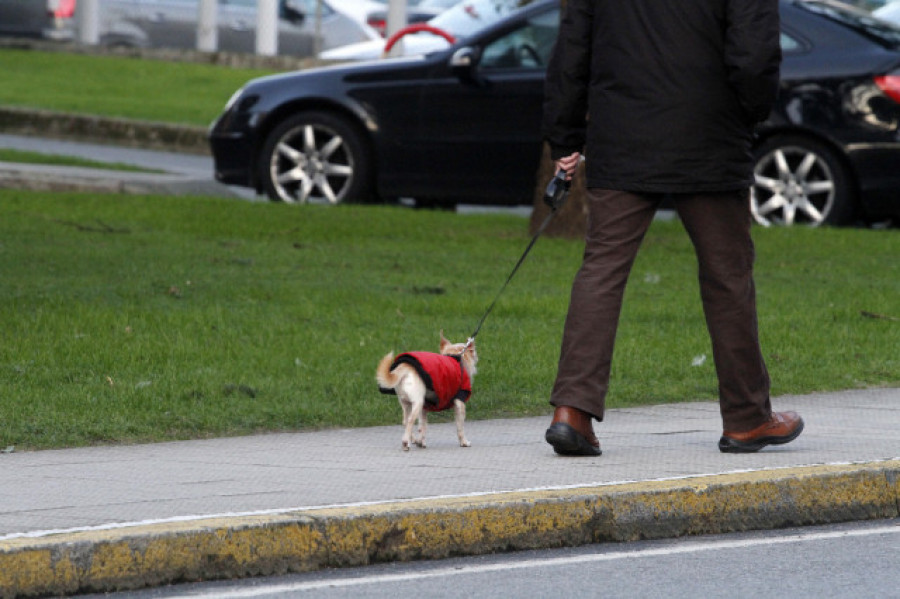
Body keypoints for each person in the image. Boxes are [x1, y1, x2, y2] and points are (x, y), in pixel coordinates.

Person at [541, 0, 804, 456]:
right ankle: (746, 418)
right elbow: (755, 53)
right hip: (710, 131)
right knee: (728, 277)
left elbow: (572, 51)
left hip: (622, 132)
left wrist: (565, 135)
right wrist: (750, 113)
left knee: (602, 269)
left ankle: (572, 412)